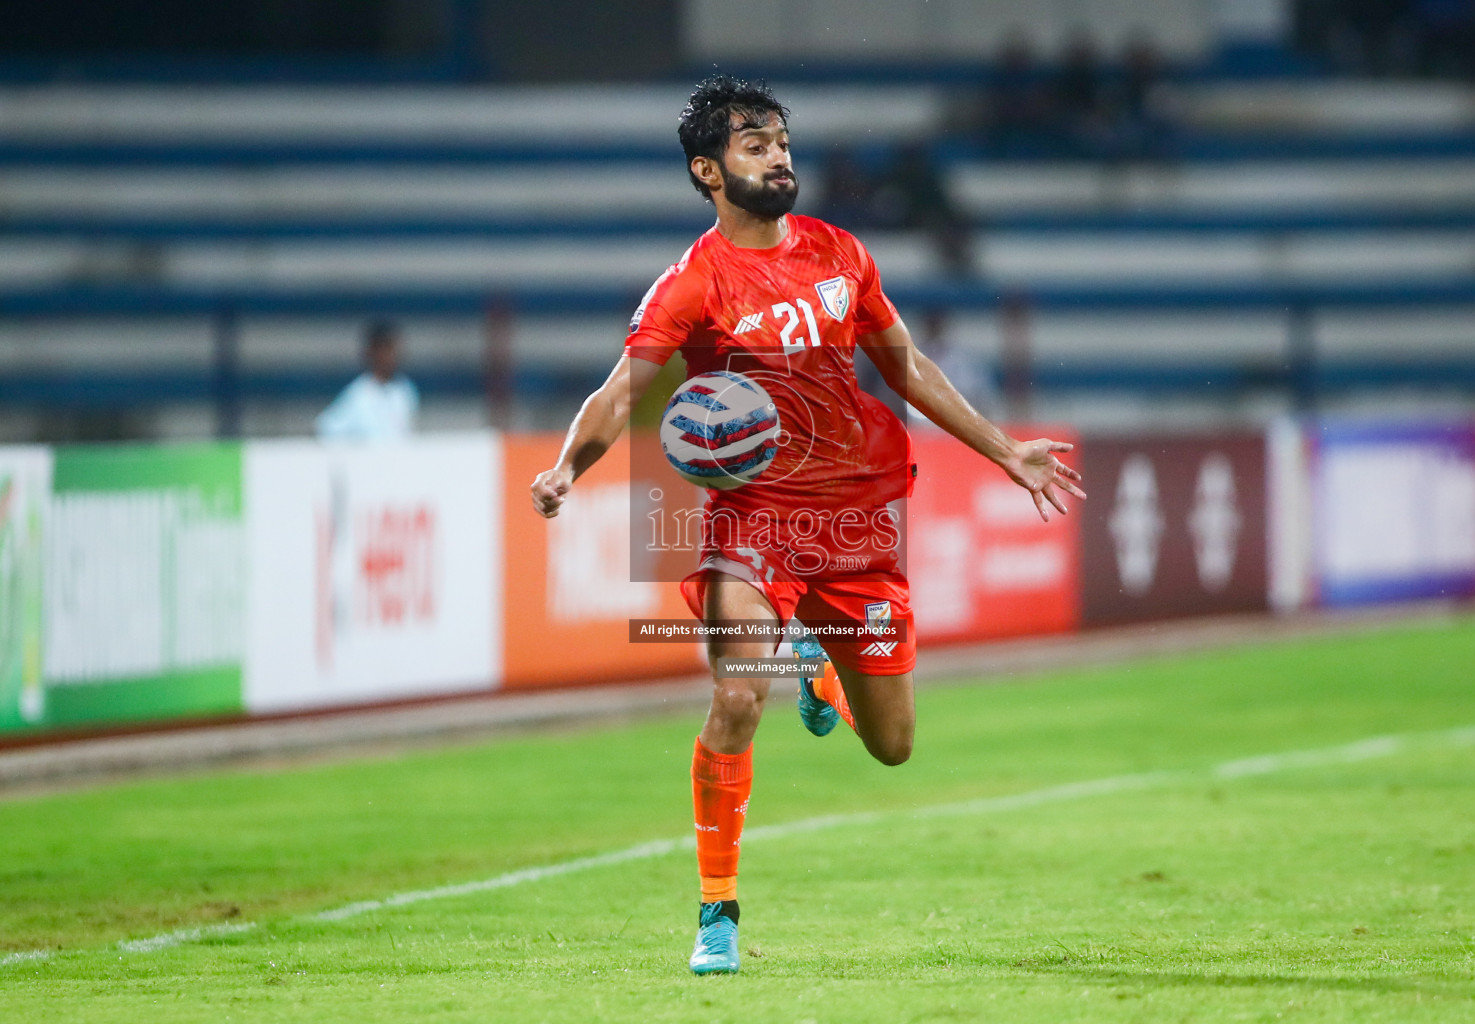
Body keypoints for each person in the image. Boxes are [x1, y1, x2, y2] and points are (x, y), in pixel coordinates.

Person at [528, 76, 1084, 976]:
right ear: (709, 172)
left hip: (858, 517)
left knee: (896, 748)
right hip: (751, 521)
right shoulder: (695, 281)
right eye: (754, 145)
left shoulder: (841, 254)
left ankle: (820, 674)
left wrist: (1003, 449)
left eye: (782, 141)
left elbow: (905, 366)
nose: (779, 155)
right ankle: (718, 914)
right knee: (740, 692)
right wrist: (567, 468)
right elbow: (623, 388)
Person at [315, 321, 419, 441]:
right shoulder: (358, 394)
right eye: (386, 349)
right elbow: (326, 428)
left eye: (393, 349)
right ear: (372, 352)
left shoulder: (405, 389)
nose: (391, 356)